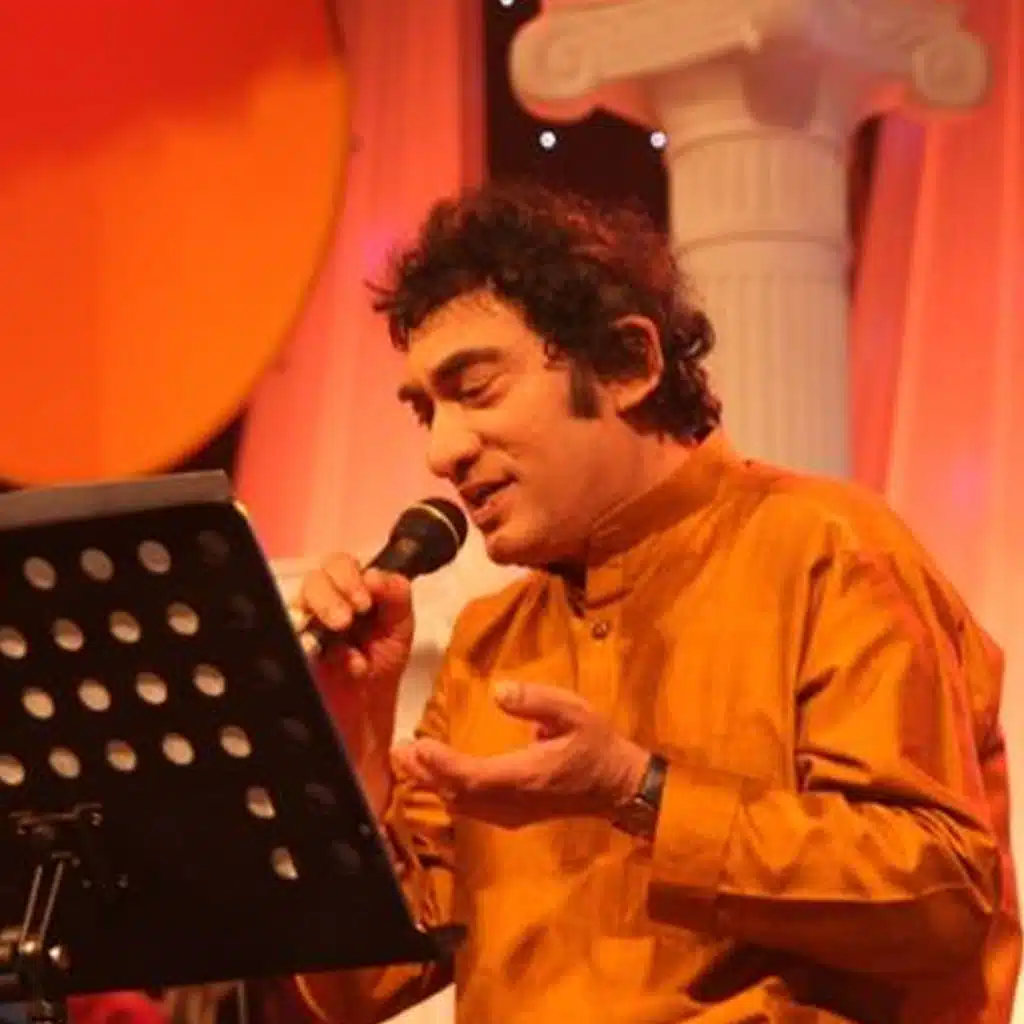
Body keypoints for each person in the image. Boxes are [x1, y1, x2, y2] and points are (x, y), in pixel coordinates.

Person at [292, 182, 1020, 1023]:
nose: (442, 451)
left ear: (628, 363)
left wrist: (639, 791)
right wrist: (354, 744)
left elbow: (944, 902)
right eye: (426, 411)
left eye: (477, 389)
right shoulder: (492, 641)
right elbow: (362, 987)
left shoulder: (826, 546)